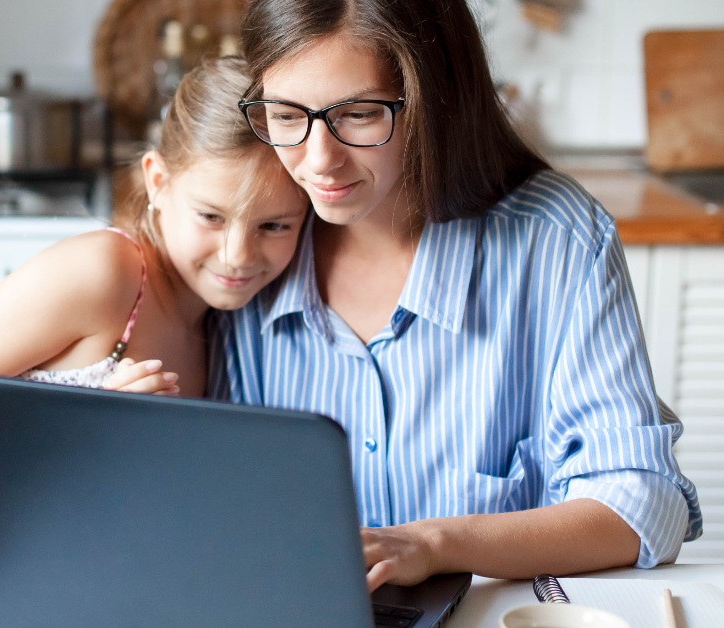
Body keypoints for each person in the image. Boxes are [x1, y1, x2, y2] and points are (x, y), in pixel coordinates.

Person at [210, 0, 702, 592]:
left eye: (361, 114)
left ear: (434, 100)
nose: (318, 161)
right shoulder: (240, 249)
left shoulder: (555, 239)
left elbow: (640, 503)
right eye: (286, 115)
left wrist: (434, 544)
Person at [0, 57, 309, 628]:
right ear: (158, 182)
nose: (238, 254)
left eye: (274, 225)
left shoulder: (222, 329)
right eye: (211, 215)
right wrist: (93, 433)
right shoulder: (107, 273)